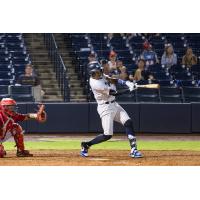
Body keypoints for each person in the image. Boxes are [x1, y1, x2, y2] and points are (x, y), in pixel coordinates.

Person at [80, 63, 142, 158]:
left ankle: (134, 149)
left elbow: (114, 80)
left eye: (97, 72)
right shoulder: (96, 84)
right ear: (91, 73)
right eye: (94, 73)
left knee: (128, 122)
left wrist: (126, 83)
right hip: (105, 108)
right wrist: (129, 90)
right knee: (107, 135)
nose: (97, 74)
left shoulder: (101, 75)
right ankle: (86, 145)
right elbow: (115, 93)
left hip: (114, 104)